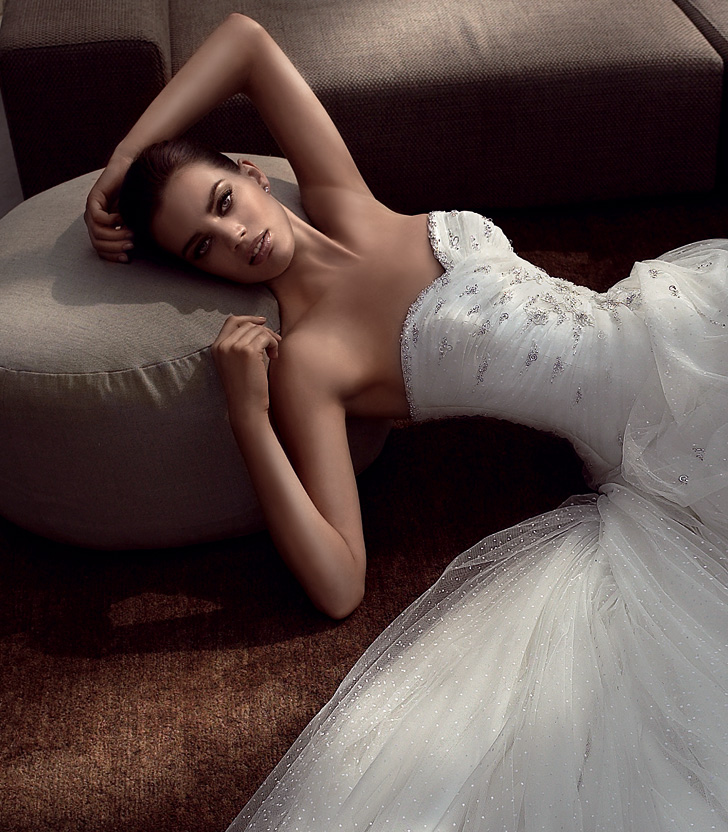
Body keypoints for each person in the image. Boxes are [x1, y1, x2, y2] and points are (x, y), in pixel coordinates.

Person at [86, 14, 728, 831]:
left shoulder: (345, 200)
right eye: (202, 248)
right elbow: (339, 584)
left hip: (674, 317)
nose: (236, 235)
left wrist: (121, 161)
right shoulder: (312, 360)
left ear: (252, 174)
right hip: (661, 439)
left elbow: (244, 40)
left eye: (223, 202)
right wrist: (249, 417)